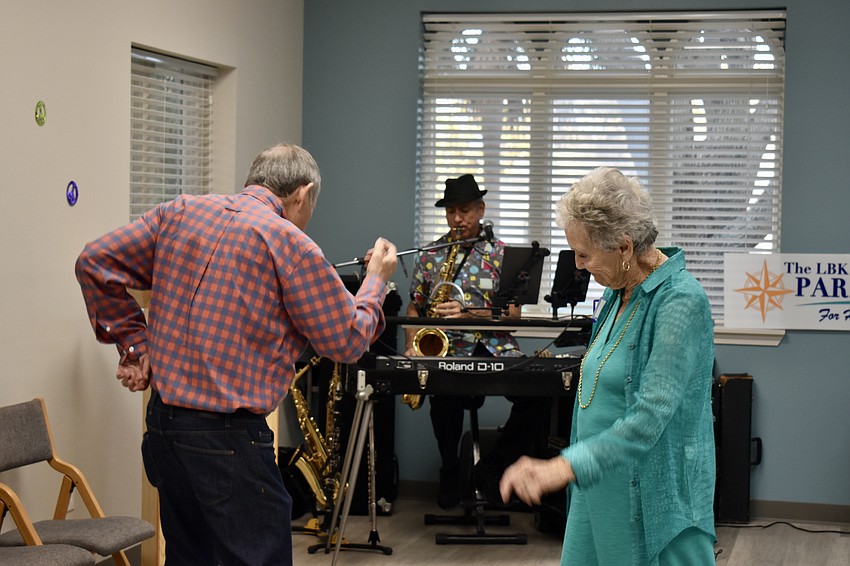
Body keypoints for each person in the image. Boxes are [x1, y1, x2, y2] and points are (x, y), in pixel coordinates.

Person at [75, 143, 398, 566]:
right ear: (302, 194)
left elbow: (93, 262)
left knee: (189, 558)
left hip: (164, 430)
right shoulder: (292, 244)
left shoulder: (179, 212)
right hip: (229, 441)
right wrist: (375, 282)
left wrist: (139, 345)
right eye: (310, 205)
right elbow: (348, 341)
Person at [499, 167, 716, 565]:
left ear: (623, 246)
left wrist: (563, 466)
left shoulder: (681, 302)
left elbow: (650, 417)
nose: (578, 266)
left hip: (653, 503)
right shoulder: (618, 291)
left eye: (584, 254)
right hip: (596, 489)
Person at [404, 173, 551, 509]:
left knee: (539, 395)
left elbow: (513, 317)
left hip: (496, 347)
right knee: (443, 401)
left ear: (481, 209)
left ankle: (493, 466)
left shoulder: (503, 255)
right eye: (452, 211)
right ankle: (450, 468)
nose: (459, 218)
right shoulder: (429, 254)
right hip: (448, 350)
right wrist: (412, 344)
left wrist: (470, 313)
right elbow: (415, 304)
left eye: (466, 210)